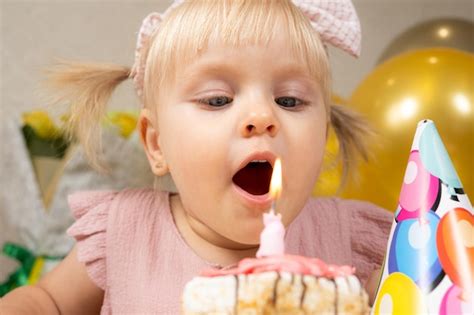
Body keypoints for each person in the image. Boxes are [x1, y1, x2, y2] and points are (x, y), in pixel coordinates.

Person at [0, 0, 392, 313]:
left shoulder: (351, 240)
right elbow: (45, 302)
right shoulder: (124, 233)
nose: (262, 118)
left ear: (323, 137)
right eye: (218, 100)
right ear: (156, 144)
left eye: (288, 100)